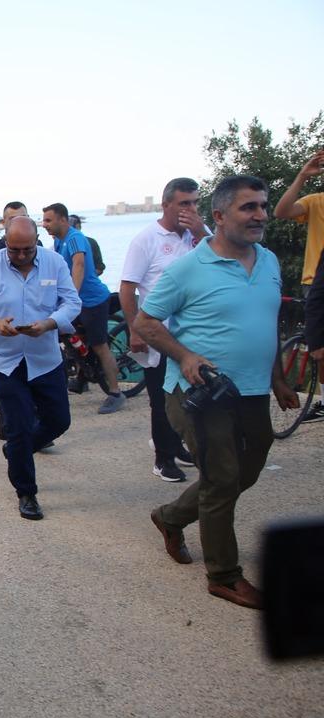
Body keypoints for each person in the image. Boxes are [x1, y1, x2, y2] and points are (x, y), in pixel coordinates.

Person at [133, 175, 298, 610]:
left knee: (246, 469)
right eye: (249, 208)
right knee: (223, 477)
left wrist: (279, 378)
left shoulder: (268, 262)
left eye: (263, 206)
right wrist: (185, 356)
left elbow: (267, 325)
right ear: (220, 217)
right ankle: (223, 575)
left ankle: (170, 517)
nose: (260, 215)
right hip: (199, 392)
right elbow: (145, 323)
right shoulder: (187, 268)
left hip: (252, 391)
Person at [0, 216, 81, 521]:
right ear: (5, 242)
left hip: (45, 358)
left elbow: (72, 303)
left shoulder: (54, 263)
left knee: (58, 420)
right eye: (14, 250)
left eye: (27, 249)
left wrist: (50, 323)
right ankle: (26, 492)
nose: (21, 256)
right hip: (5, 361)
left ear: (37, 241)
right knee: (19, 427)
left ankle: (19, 449)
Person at [119, 177, 209, 482]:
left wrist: (200, 232)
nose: (191, 209)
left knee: (190, 396)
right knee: (162, 398)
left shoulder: (199, 237)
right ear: (166, 204)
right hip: (159, 334)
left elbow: (221, 262)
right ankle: (163, 458)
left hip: (195, 334)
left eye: (195, 202)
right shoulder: (146, 239)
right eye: (185, 203)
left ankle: (179, 447)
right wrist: (135, 330)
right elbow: (127, 288)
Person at [42, 202, 124, 413]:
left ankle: (115, 392)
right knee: (72, 337)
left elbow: (78, 265)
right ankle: (81, 376)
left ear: (62, 219)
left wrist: (72, 299)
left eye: (48, 220)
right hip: (77, 301)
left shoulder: (75, 238)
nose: (44, 225)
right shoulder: (59, 243)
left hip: (92, 301)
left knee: (98, 345)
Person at [273, 149, 324, 422]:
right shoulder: (317, 202)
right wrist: (303, 176)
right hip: (315, 281)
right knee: (320, 348)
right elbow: (282, 211)